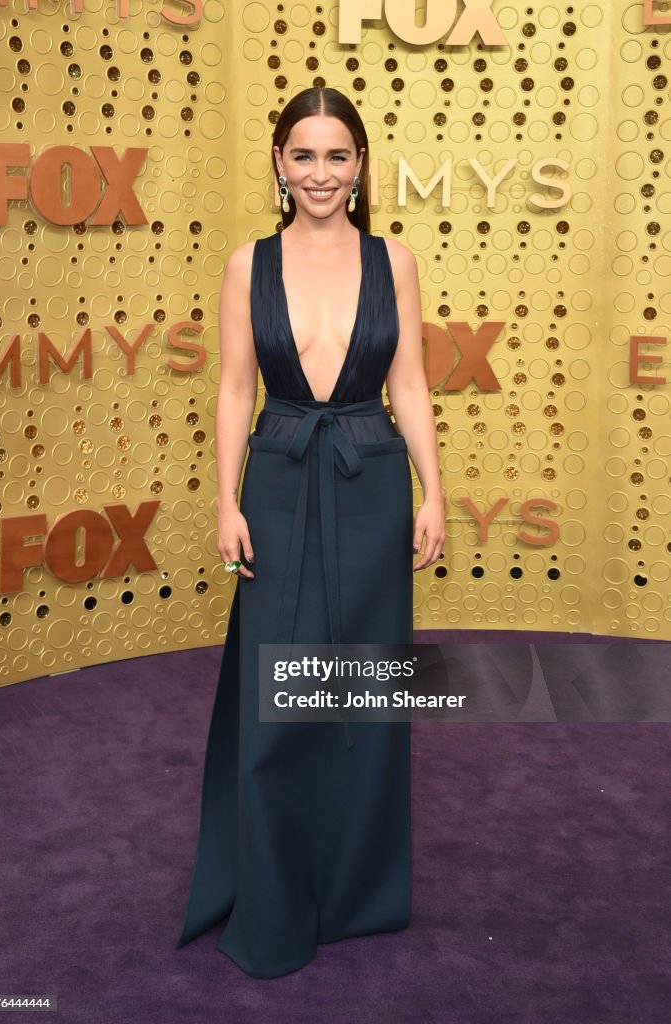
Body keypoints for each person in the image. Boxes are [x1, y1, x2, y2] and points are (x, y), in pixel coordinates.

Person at [175, 86, 445, 978]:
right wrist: (226, 501)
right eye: (304, 155)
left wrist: (433, 491)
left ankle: (359, 888)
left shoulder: (394, 260)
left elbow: (408, 383)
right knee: (276, 688)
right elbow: (232, 389)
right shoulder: (246, 263)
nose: (320, 173)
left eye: (337, 156)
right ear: (278, 164)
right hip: (282, 478)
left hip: (370, 481)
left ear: (360, 167)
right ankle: (277, 883)